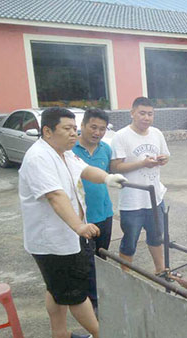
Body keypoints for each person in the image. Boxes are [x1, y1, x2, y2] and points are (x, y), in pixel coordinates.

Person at [19, 107, 126, 338]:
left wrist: (107, 177)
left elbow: (86, 170)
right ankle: (102, 334)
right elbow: (55, 196)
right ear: (47, 131)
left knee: (55, 286)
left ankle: (60, 333)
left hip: (64, 237)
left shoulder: (64, 152)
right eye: (67, 129)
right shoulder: (39, 157)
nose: (73, 134)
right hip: (53, 241)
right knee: (76, 293)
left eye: (74, 129)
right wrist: (79, 226)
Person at [110, 97, 170, 275]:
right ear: (132, 113)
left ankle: (160, 270)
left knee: (156, 237)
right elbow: (115, 167)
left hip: (155, 197)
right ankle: (125, 276)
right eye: (142, 113)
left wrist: (163, 160)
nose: (146, 117)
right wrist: (142, 163)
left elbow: (165, 156)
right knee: (130, 241)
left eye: (150, 114)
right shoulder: (121, 136)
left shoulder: (157, 133)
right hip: (132, 200)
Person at [72, 108, 113, 314]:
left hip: (105, 213)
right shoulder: (70, 150)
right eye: (93, 127)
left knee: (101, 256)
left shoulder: (105, 149)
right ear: (83, 126)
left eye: (102, 129)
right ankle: (92, 303)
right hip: (83, 218)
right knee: (85, 261)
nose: (97, 132)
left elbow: (109, 174)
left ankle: (101, 296)